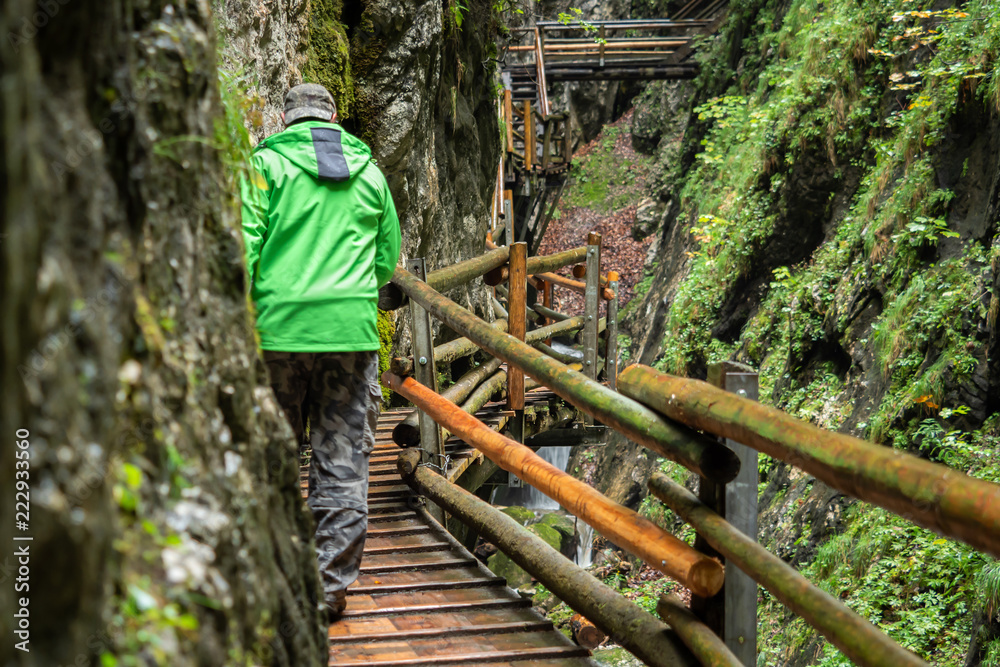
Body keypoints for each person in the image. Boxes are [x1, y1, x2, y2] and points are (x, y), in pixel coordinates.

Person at [240, 83, 402, 622]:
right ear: (332, 118)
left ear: (285, 119)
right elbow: (385, 262)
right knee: (343, 464)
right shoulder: (371, 175)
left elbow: (242, 249)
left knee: (274, 459)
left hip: (276, 338)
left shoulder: (265, 168)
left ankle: (276, 579)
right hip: (351, 340)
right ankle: (328, 589)